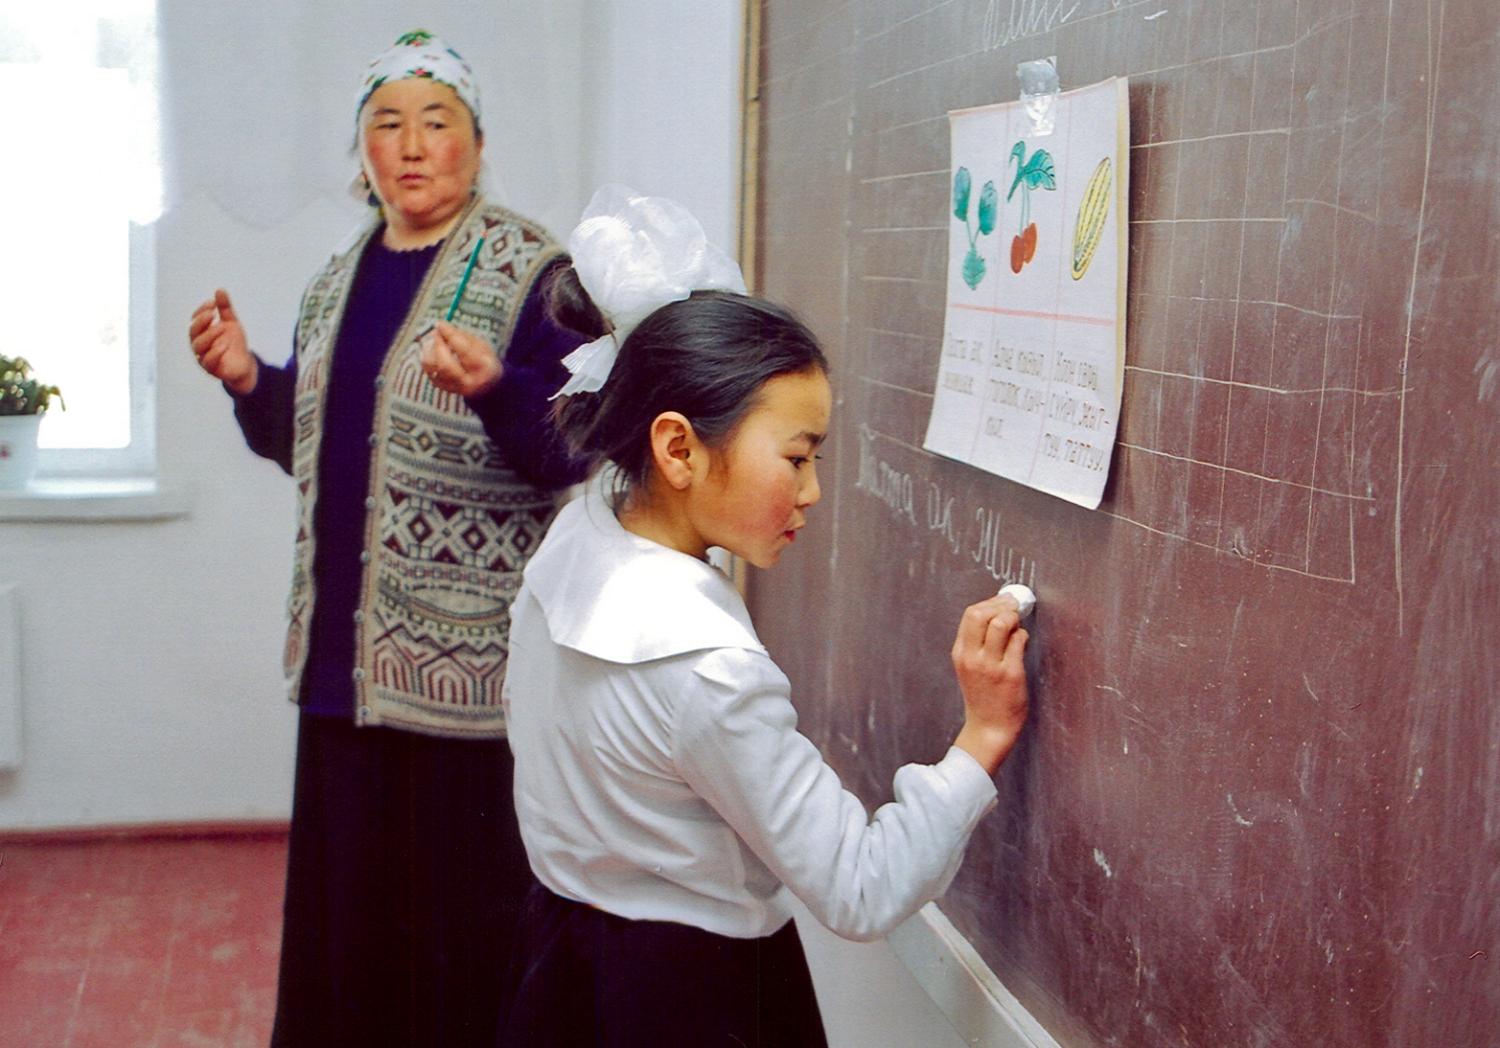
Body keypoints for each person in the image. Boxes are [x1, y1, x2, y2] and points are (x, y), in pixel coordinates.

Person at [496, 186, 1031, 1047]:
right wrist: (980, 740)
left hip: (564, 963)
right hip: (690, 999)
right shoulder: (706, 670)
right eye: (796, 457)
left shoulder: (578, 533)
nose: (812, 492)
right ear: (677, 448)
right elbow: (859, 887)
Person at [186, 30, 585, 1048]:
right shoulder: (335, 280)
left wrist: (494, 388)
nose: (410, 146)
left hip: (468, 677)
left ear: (478, 142)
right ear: (361, 150)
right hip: (341, 673)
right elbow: (316, 449)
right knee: (348, 936)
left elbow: (572, 446)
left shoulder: (533, 273)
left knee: (464, 935)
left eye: (435, 121)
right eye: (386, 124)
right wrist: (248, 380)